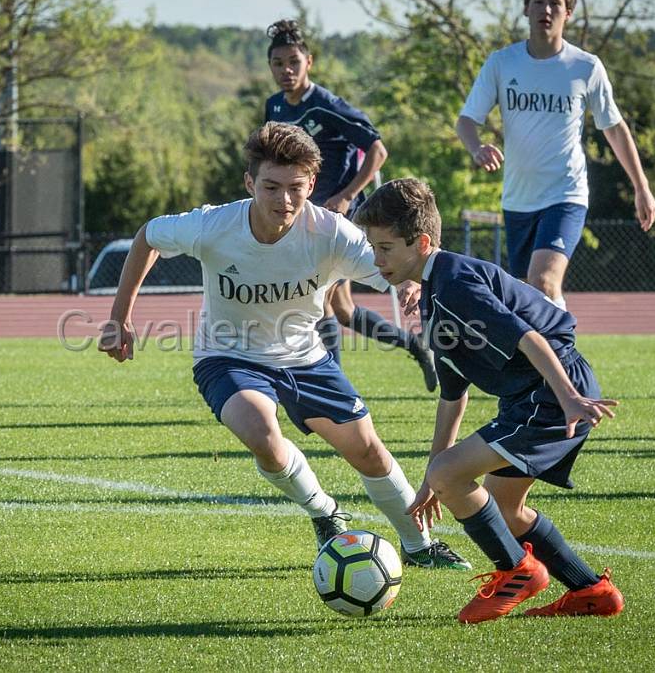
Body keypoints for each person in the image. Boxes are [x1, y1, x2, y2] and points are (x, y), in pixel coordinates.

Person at [99, 122, 470, 570]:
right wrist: (119, 319)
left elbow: (396, 262)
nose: (285, 200)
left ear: (312, 184)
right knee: (262, 434)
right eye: (271, 187)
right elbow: (147, 237)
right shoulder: (213, 225)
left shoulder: (332, 233)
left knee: (368, 451)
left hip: (307, 358)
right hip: (228, 356)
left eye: (296, 187)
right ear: (250, 182)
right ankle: (325, 512)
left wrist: (413, 285)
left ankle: (419, 545)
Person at [355, 177, 625, 623]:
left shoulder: (456, 284)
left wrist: (570, 396)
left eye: (385, 248)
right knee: (503, 509)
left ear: (421, 242)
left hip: (550, 392)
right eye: (373, 247)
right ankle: (592, 591)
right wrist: (431, 480)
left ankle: (517, 571)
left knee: (455, 476)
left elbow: (529, 337)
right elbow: (452, 394)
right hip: (539, 394)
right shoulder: (434, 292)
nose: (376, 258)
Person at [456, 0, 655, 311]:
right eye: (538, 1)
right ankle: (558, 347)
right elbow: (466, 120)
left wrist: (642, 186)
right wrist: (476, 147)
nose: (546, 9)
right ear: (525, 8)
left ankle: (565, 357)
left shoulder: (585, 67)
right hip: (518, 199)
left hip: (566, 194)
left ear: (568, 13)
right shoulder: (502, 62)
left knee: (543, 282)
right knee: (527, 296)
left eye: (555, 3)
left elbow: (615, 129)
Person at [264, 19, 437, 391]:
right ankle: (415, 346)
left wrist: (346, 195)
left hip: (336, 218)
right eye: (278, 63)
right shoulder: (274, 106)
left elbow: (378, 150)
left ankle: (334, 389)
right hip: (303, 214)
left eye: (294, 61)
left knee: (321, 300)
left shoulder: (326, 106)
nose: (286, 70)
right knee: (342, 310)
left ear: (309, 61)